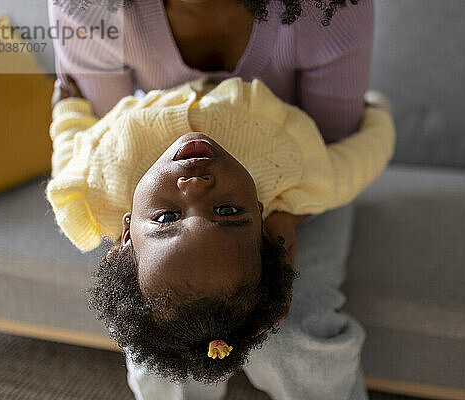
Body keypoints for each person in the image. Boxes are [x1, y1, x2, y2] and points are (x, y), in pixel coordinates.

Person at [48, 0, 379, 398]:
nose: (195, 185)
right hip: (289, 197)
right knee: (160, 342)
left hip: (300, 204)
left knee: (299, 342)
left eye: (168, 218)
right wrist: (379, 122)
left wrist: (67, 111)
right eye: (224, 211)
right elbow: (356, 161)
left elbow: (74, 155)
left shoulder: (105, 183)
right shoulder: (86, 7)